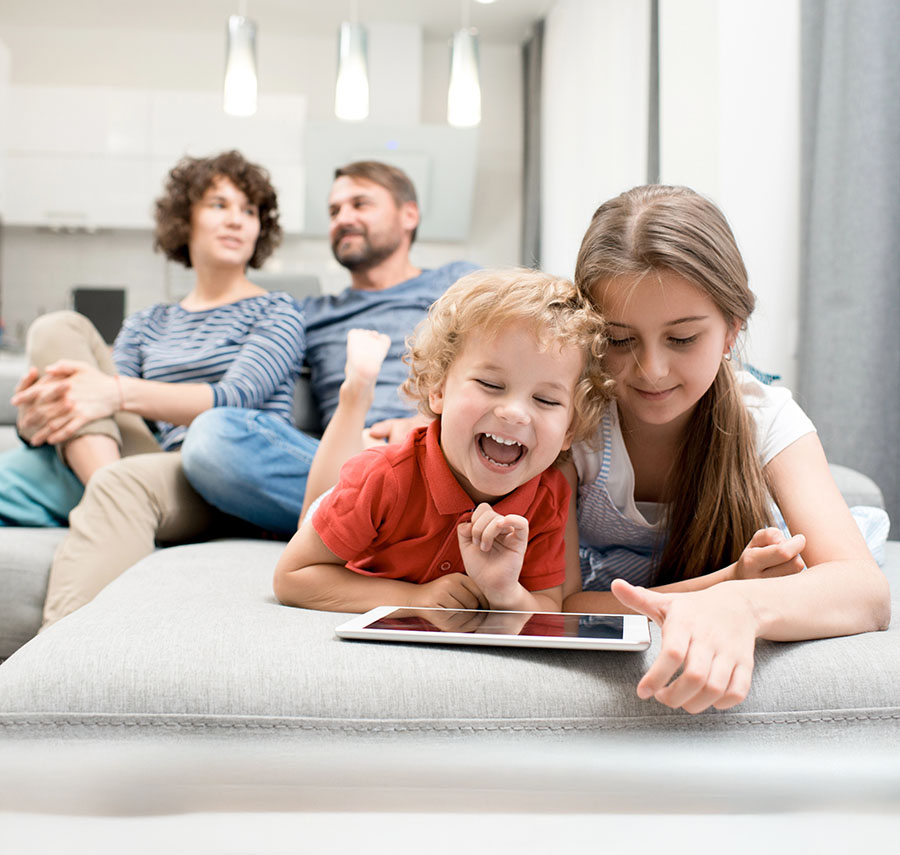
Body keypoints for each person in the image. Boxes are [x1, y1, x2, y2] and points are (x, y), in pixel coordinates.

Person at [563, 184, 891, 714]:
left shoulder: (766, 416)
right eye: (620, 340)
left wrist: (744, 603)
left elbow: (866, 592)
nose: (652, 370)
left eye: (683, 338)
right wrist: (726, 583)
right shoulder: (572, 423)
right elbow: (562, 604)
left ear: (731, 330)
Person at [4, 149, 305, 624]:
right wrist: (36, 418)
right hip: (143, 455)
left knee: (117, 476)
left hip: (217, 475)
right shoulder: (149, 322)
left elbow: (229, 400)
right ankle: (104, 486)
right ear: (185, 220)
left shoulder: (278, 311)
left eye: (249, 211)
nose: (237, 221)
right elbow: (96, 405)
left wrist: (114, 393)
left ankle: (53, 658)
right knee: (57, 328)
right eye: (219, 205)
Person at [273, 268, 612, 613]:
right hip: (369, 475)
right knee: (316, 510)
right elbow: (293, 576)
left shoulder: (548, 497)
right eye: (491, 385)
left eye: (546, 400)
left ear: (570, 430)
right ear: (438, 389)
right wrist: (415, 600)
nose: (515, 413)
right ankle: (355, 394)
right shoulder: (382, 478)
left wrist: (506, 593)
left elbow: (548, 606)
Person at [180, 161, 477, 533]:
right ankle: (390, 525)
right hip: (347, 461)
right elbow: (230, 357)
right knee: (212, 440)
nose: (342, 218)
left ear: (409, 215)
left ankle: (363, 522)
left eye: (360, 204)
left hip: (436, 452)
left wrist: (427, 423)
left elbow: (500, 364)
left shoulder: (457, 282)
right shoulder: (308, 314)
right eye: (334, 211)